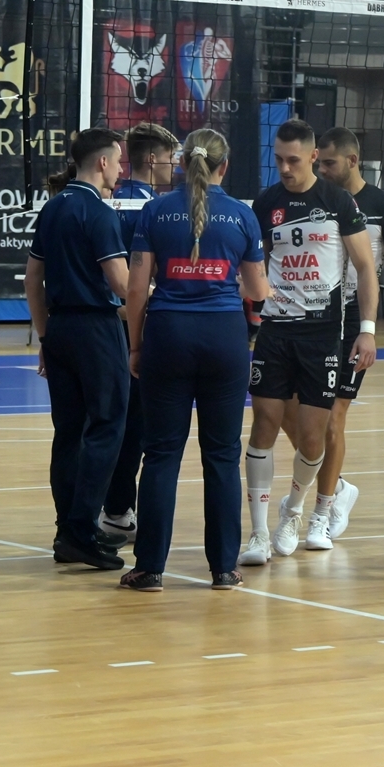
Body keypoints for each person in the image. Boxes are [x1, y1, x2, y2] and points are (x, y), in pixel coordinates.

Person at [118, 129, 269, 591]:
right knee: (221, 456)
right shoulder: (242, 215)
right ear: (225, 166)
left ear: (182, 163)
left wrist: (136, 346)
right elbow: (258, 290)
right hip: (224, 338)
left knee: (161, 454)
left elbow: (136, 289)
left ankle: (149, 569)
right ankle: (224, 568)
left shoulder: (155, 210)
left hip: (169, 335)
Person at [273, 128, 384, 544]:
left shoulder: (383, 207)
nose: (321, 169)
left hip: (355, 320)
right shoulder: (312, 200)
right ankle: (338, 485)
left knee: (333, 418)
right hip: (311, 317)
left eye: (329, 163)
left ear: (353, 161)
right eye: (318, 162)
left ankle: (319, 512)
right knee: (289, 412)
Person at [239, 119, 378, 565]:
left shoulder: (336, 201)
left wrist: (368, 329)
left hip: (322, 333)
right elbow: (252, 263)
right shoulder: (267, 203)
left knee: (314, 435)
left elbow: (365, 267)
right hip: (276, 330)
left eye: (293, 160)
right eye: (278, 159)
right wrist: (248, 289)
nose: (285, 168)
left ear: (314, 157)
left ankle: (297, 511)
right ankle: (258, 534)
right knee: (264, 421)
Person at [26, 128, 132, 570]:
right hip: (96, 330)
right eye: (119, 161)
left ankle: (67, 531)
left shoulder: (52, 208)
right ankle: (82, 529)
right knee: (106, 426)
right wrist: (162, 295)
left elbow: (33, 280)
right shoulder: (99, 213)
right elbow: (122, 284)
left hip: (60, 329)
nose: (121, 169)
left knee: (68, 431)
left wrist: (45, 336)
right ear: (103, 162)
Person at [99, 123, 178, 545]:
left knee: (111, 421)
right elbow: (143, 278)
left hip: (103, 322)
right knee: (139, 426)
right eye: (169, 157)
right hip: (140, 323)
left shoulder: (107, 201)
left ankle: (110, 509)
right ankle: (118, 511)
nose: (174, 165)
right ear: (151, 158)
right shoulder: (154, 208)